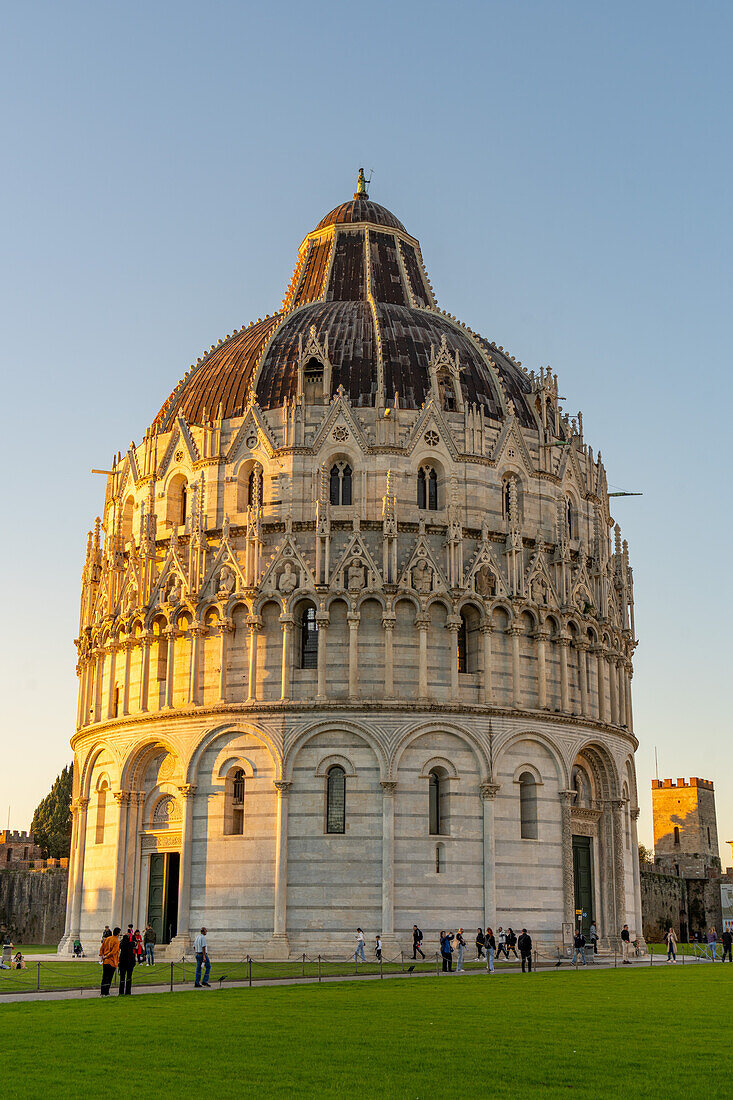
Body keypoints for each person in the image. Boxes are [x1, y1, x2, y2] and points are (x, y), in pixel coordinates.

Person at [99, 926, 120, 996]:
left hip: (105, 961)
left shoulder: (107, 939)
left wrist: (102, 956)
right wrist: (106, 956)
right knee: (109, 978)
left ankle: (102, 992)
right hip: (111, 961)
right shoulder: (116, 941)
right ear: (118, 934)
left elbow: (102, 948)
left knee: (104, 977)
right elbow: (114, 952)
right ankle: (106, 992)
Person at [118, 926, 136, 995]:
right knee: (129, 977)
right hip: (129, 963)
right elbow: (135, 943)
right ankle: (128, 991)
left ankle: (121, 991)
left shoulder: (122, 945)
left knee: (122, 978)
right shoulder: (131, 944)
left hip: (123, 962)